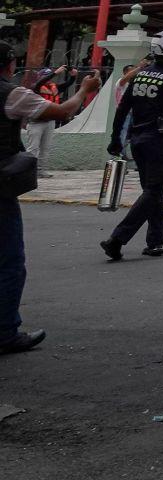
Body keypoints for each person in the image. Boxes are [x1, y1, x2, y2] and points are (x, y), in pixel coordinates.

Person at [2, 45, 100, 354]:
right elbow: (63, 111)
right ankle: (4, 332)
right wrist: (83, 90)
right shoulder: (12, 94)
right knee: (9, 261)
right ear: (10, 65)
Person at [103, 27, 163, 261]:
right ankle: (117, 239)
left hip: (137, 139)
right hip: (159, 139)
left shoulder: (140, 75)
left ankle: (155, 242)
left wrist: (116, 139)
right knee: (155, 190)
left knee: (153, 192)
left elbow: (122, 109)